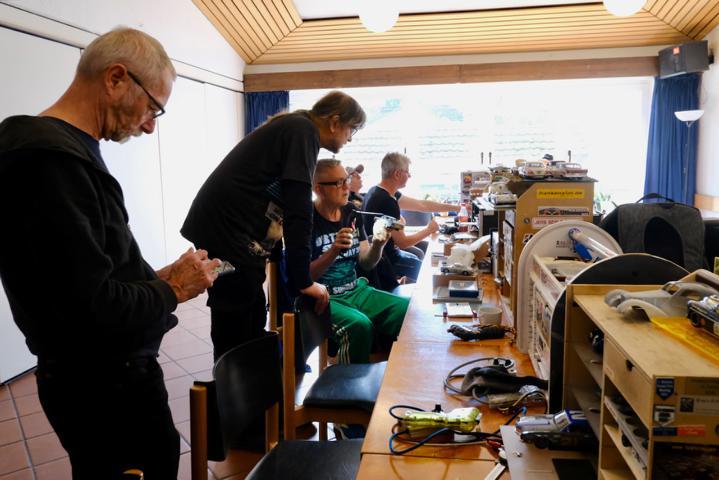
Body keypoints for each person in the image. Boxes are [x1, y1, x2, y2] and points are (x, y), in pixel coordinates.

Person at [0, 28, 220, 479]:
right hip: (102, 383)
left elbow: (85, 272)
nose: (150, 125)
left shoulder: (64, 154)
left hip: (104, 376)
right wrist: (173, 290)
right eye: (153, 107)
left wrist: (160, 277)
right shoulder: (50, 162)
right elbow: (90, 307)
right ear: (116, 78)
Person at [181, 91, 366, 360]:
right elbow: (298, 211)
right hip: (227, 231)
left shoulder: (298, 127)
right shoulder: (302, 131)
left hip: (228, 229)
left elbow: (282, 204)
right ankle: (233, 381)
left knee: (248, 307)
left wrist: (279, 256)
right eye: (352, 129)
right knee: (237, 309)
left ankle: (241, 378)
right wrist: (303, 281)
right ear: (335, 122)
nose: (350, 138)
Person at [310, 159, 408, 364]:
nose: (347, 187)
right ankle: (348, 382)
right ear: (318, 189)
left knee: (408, 311)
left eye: (346, 180)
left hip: (356, 290)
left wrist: (378, 245)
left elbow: (366, 263)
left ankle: (394, 376)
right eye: (338, 183)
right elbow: (304, 276)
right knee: (359, 326)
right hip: (324, 299)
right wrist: (333, 250)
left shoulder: (351, 213)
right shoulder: (306, 220)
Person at [362, 152, 460, 282]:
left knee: (421, 257)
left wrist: (457, 208)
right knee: (430, 273)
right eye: (407, 172)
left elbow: (421, 205)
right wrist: (429, 230)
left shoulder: (377, 191)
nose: (409, 176)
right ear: (397, 174)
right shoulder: (387, 201)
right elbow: (403, 242)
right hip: (386, 260)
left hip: (385, 254)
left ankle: (405, 281)